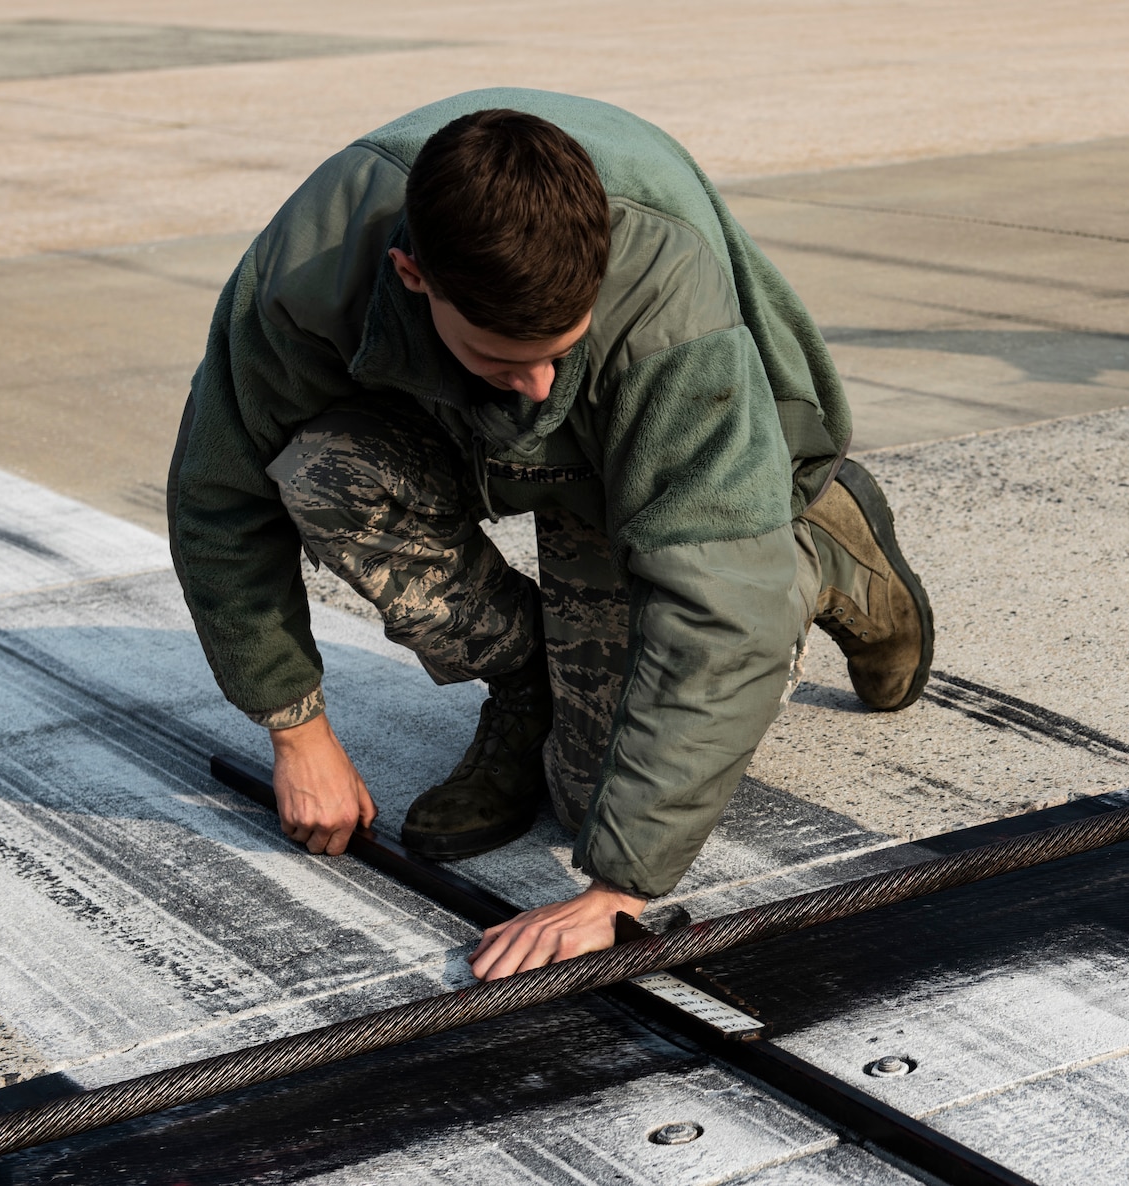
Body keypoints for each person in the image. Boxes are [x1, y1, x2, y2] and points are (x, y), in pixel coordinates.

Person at [166, 90, 933, 982]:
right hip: (460, 432)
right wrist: (295, 727)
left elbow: (719, 606)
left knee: (593, 806)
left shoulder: (664, 299)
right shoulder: (306, 273)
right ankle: (526, 681)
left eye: (558, 349)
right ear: (416, 277)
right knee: (320, 469)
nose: (534, 384)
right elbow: (219, 499)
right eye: (502, 355)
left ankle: (809, 540)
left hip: (635, 458)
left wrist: (618, 887)